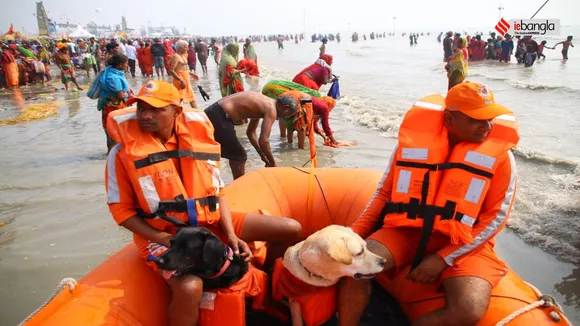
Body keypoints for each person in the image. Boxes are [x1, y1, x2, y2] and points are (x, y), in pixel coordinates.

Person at [105, 80, 302, 326]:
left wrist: (230, 235)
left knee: (290, 229)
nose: (145, 115)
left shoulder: (199, 142)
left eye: (156, 109)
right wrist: (164, 239)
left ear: (176, 112)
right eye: (141, 108)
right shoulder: (121, 153)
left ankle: (267, 290)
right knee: (189, 287)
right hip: (166, 234)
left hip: (211, 223)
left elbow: (218, 193)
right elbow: (120, 212)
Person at [337, 81, 518, 326]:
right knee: (356, 268)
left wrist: (443, 258)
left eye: (490, 119)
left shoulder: (502, 158)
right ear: (449, 119)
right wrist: (351, 234)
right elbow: (384, 193)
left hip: (462, 240)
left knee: (468, 310)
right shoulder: (411, 144)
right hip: (406, 231)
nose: (486, 126)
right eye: (476, 119)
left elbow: (495, 218)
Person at [204, 92, 281, 180]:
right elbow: (264, 141)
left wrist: (263, 155)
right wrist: (273, 163)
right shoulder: (272, 109)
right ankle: (238, 186)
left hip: (213, 112)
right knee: (239, 156)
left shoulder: (264, 104)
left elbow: (251, 133)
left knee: (228, 153)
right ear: (285, 108)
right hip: (220, 116)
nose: (279, 119)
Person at [98, 54, 131, 152]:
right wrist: (129, 95)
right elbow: (120, 95)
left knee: (112, 132)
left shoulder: (113, 73)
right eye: (126, 63)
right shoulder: (113, 77)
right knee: (115, 132)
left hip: (111, 107)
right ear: (120, 65)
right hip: (113, 108)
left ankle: (112, 154)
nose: (127, 65)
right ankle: (113, 155)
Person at [169, 40, 199, 108]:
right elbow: (171, 70)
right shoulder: (175, 56)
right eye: (185, 47)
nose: (187, 49)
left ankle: (197, 114)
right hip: (180, 80)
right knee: (178, 98)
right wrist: (180, 80)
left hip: (186, 80)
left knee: (192, 98)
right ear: (179, 48)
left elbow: (183, 68)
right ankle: (172, 113)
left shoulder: (183, 55)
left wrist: (192, 74)